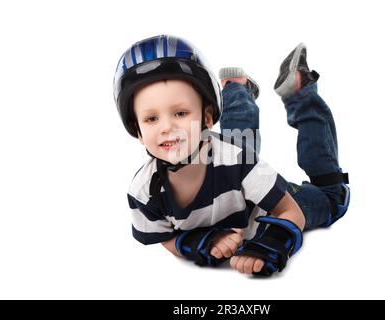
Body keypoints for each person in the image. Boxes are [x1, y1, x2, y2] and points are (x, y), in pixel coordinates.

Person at [113, 35, 350, 277]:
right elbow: (165, 237)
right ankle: (235, 87)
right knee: (237, 147)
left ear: (207, 118)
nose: (166, 127)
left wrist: (270, 243)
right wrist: (202, 241)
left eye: (181, 113)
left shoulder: (239, 160)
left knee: (333, 198)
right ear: (138, 131)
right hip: (234, 172)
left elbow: (291, 211)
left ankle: (301, 93)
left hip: (262, 204)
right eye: (151, 118)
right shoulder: (142, 192)